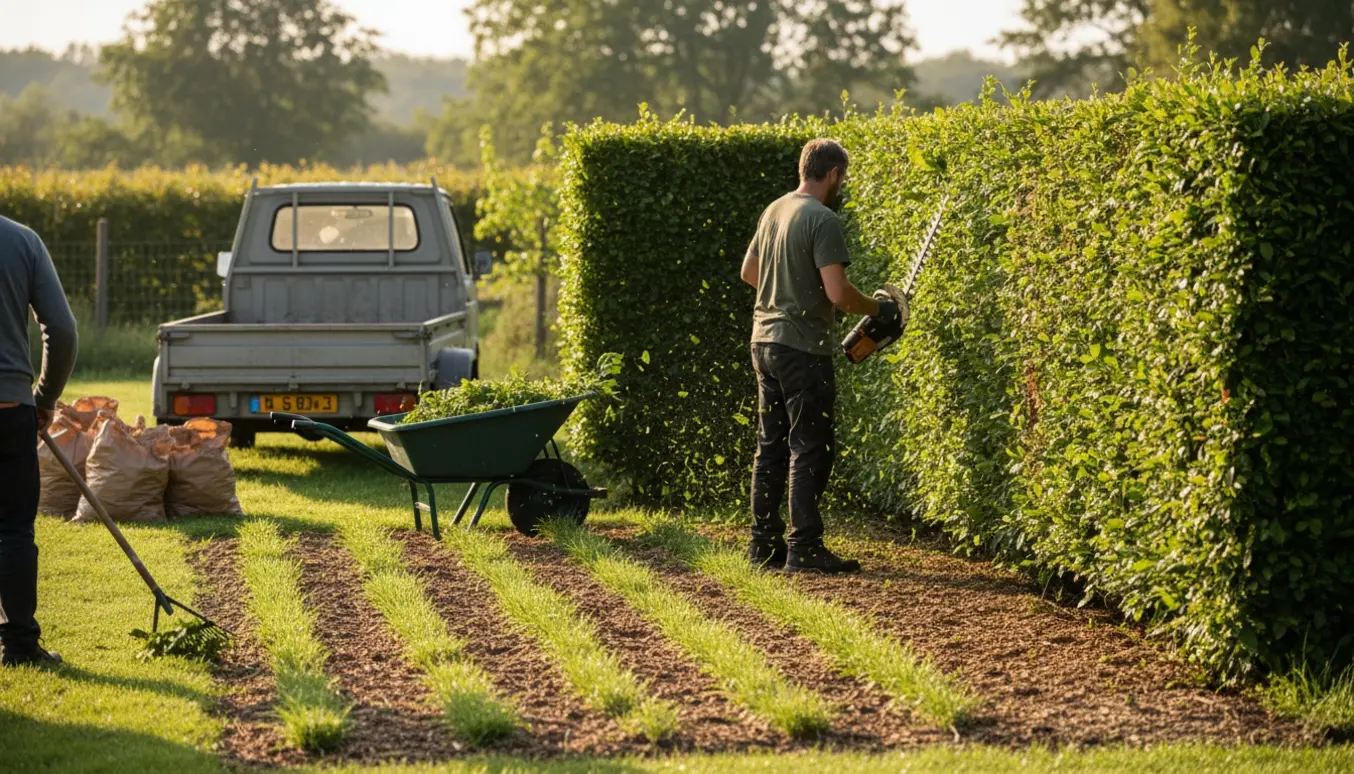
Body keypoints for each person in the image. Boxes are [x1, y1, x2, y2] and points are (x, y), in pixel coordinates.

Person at [739, 139, 903, 574]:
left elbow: (749, 273)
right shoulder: (822, 219)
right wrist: (880, 308)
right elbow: (839, 294)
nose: (840, 185)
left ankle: (763, 546)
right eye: (841, 178)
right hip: (801, 348)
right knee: (810, 447)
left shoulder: (774, 209)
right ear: (832, 174)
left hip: (764, 342)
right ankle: (805, 548)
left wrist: (785, 295)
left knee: (770, 445)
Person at [1, 215, 77, 667]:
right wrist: (44, 398)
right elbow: (62, 331)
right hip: (8, 408)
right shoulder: (22, 241)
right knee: (10, 529)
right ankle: (19, 647)